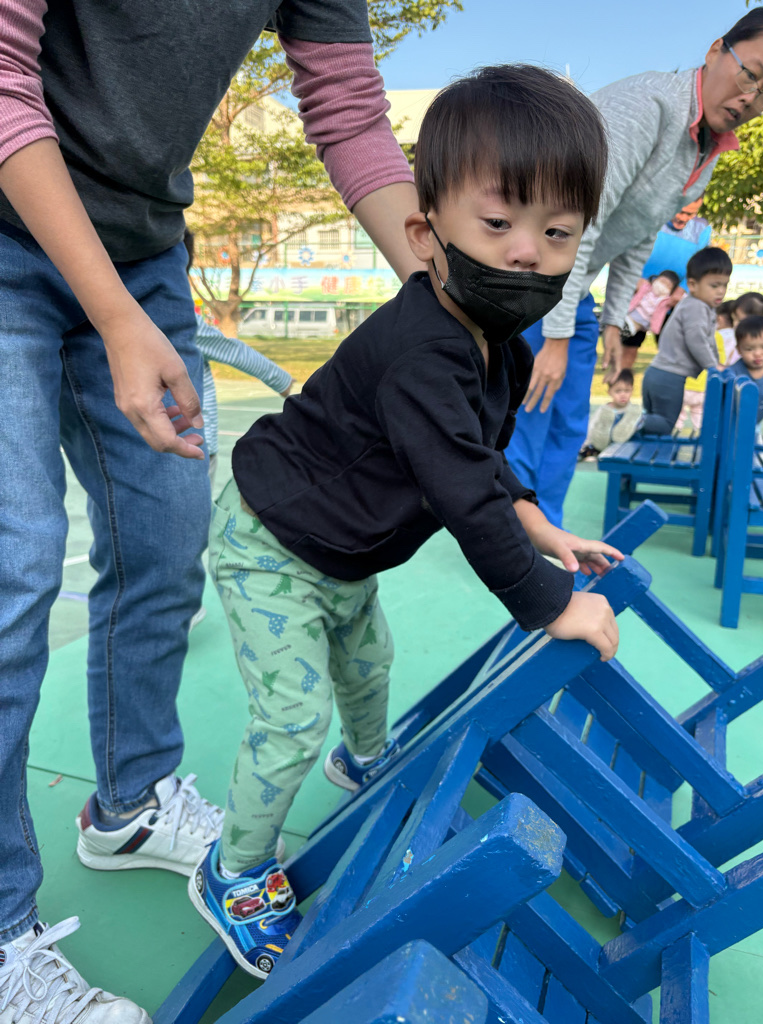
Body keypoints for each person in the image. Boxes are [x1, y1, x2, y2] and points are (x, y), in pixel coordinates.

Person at [0, 2, 422, 1019]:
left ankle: (130, 803)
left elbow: (347, 103)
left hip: (145, 246)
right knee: (15, 567)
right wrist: (112, 316)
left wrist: (445, 290)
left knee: (165, 540)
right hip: (11, 213)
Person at [189, 65, 622, 979]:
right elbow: (462, 496)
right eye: (497, 224)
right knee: (292, 717)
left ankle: (364, 762)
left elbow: (480, 459)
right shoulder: (422, 348)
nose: (527, 254)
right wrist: (550, 601)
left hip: (342, 548)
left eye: (556, 233)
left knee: (369, 666)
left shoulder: (493, 343)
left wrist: (542, 526)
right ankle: (233, 872)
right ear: (427, 236)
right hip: (273, 540)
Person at [505, 7, 763, 526]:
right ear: (717, 50)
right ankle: (514, 533)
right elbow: (578, 223)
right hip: (529, 282)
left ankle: (549, 529)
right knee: (532, 413)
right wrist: (555, 339)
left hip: (571, 289)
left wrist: (612, 321)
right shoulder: (648, 106)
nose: (751, 99)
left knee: (569, 422)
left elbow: (640, 232)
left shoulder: (705, 148)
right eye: (751, 75)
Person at [184, 232, 294, 488]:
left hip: (191, 441)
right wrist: (282, 382)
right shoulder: (178, 319)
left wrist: (281, 381)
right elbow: (233, 351)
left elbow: (232, 351)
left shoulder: (179, 320)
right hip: (188, 440)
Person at [641, 247, 732, 434]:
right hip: (670, 377)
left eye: (725, 285)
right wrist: (713, 366)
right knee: (665, 423)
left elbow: (709, 342)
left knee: (654, 426)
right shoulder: (696, 306)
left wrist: (717, 362)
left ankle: (630, 424)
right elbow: (696, 339)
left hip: (657, 375)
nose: (721, 292)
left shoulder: (703, 307)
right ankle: (627, 419)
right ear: (692, 285)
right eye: (714, 286)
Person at [619, 270, 680, 369]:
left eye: (667, 285)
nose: (662, 285)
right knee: (626, 343)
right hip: (631, 315)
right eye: (662, 281)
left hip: (646, 324)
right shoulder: (646, 287)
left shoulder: (666, 300)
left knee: (666, 350)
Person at [579, 370, 642, 459]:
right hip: (601, 445)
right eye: (618, 391)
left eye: (627, 391)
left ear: (632, 390)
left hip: (624, 446)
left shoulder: (634, 411)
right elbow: (591, 427)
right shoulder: (603, 411)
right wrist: (586, 443)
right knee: (588, 448)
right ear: (609, 392)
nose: (623, 395)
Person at [728, 314, 763, 424]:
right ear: (739, 349)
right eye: (749, 349)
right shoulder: (733, 373)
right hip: (731, 424)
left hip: (756, 423)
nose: (757, 354)